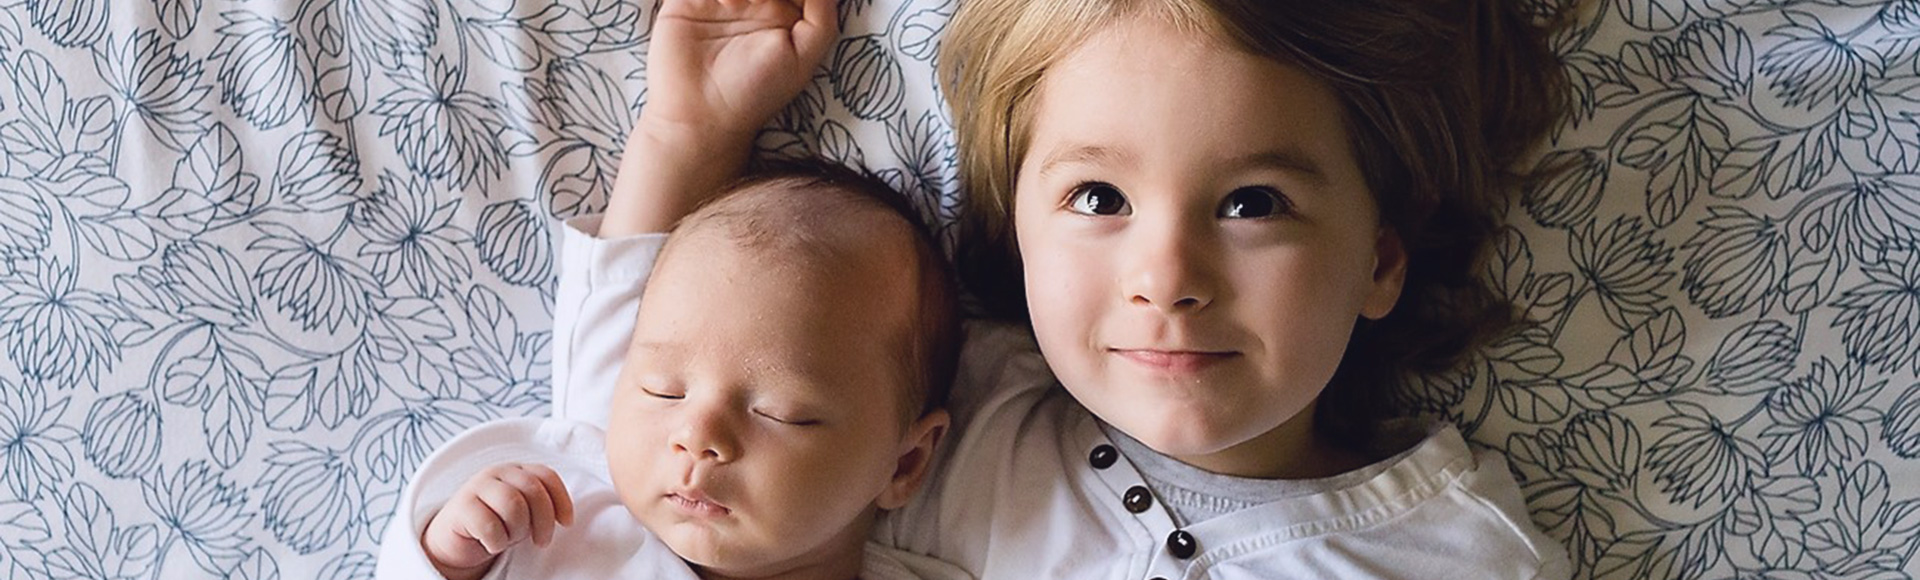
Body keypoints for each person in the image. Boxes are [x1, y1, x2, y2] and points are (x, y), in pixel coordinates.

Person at [558, 0, 1578, 579]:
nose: (1167, 279)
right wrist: (687, 134)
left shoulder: (1460, 551)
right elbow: (639, 429)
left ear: (1380, 261)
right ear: (1019, 233)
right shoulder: (954, 423)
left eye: (1252, 204)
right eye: (1099, 197)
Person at [372, 1, 967, 579]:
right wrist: (447, 558)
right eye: (663, 390)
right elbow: (621, 285)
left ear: (906, 462)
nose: (696, 435)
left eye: (780, 414)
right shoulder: (570, 519)